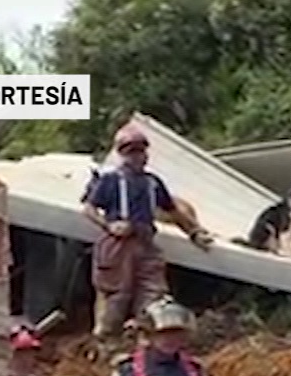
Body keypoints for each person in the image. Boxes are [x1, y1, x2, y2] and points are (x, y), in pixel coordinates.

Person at [84, 122, 214, 339]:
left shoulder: (152, 183)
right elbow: (89, 209)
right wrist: (109, 225)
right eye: (131, 152)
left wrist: (194, 232)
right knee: (115, 298)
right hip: (119, 246)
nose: (137, 156)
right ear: (122, 154)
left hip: (146, 242)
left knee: (153, 296)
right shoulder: (110, 181)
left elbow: (174, 211)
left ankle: (142, 341)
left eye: (140, 151)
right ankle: (104, 345)